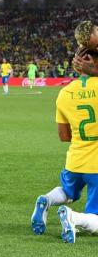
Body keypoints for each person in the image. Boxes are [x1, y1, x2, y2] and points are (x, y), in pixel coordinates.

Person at [31, 71, 98, 243]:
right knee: (94, 215)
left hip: (75, 159)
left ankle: (46, 200)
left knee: (68, 192)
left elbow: (63, 135)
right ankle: (73, 217)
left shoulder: (65, 93)